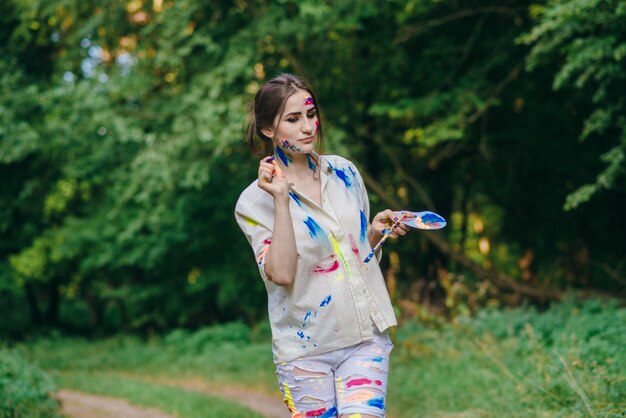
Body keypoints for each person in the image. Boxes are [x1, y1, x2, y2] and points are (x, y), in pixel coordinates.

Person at [234, 73, 411, 418]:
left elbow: (353, 256)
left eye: (311, 115)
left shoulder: (344, 173)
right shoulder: (253, 203)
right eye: (293, 119)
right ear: (269, 129)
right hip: (304, 352)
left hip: (364, 339)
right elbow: (282, 273)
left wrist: (373, 233)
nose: (307, 128)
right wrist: (281, 199)